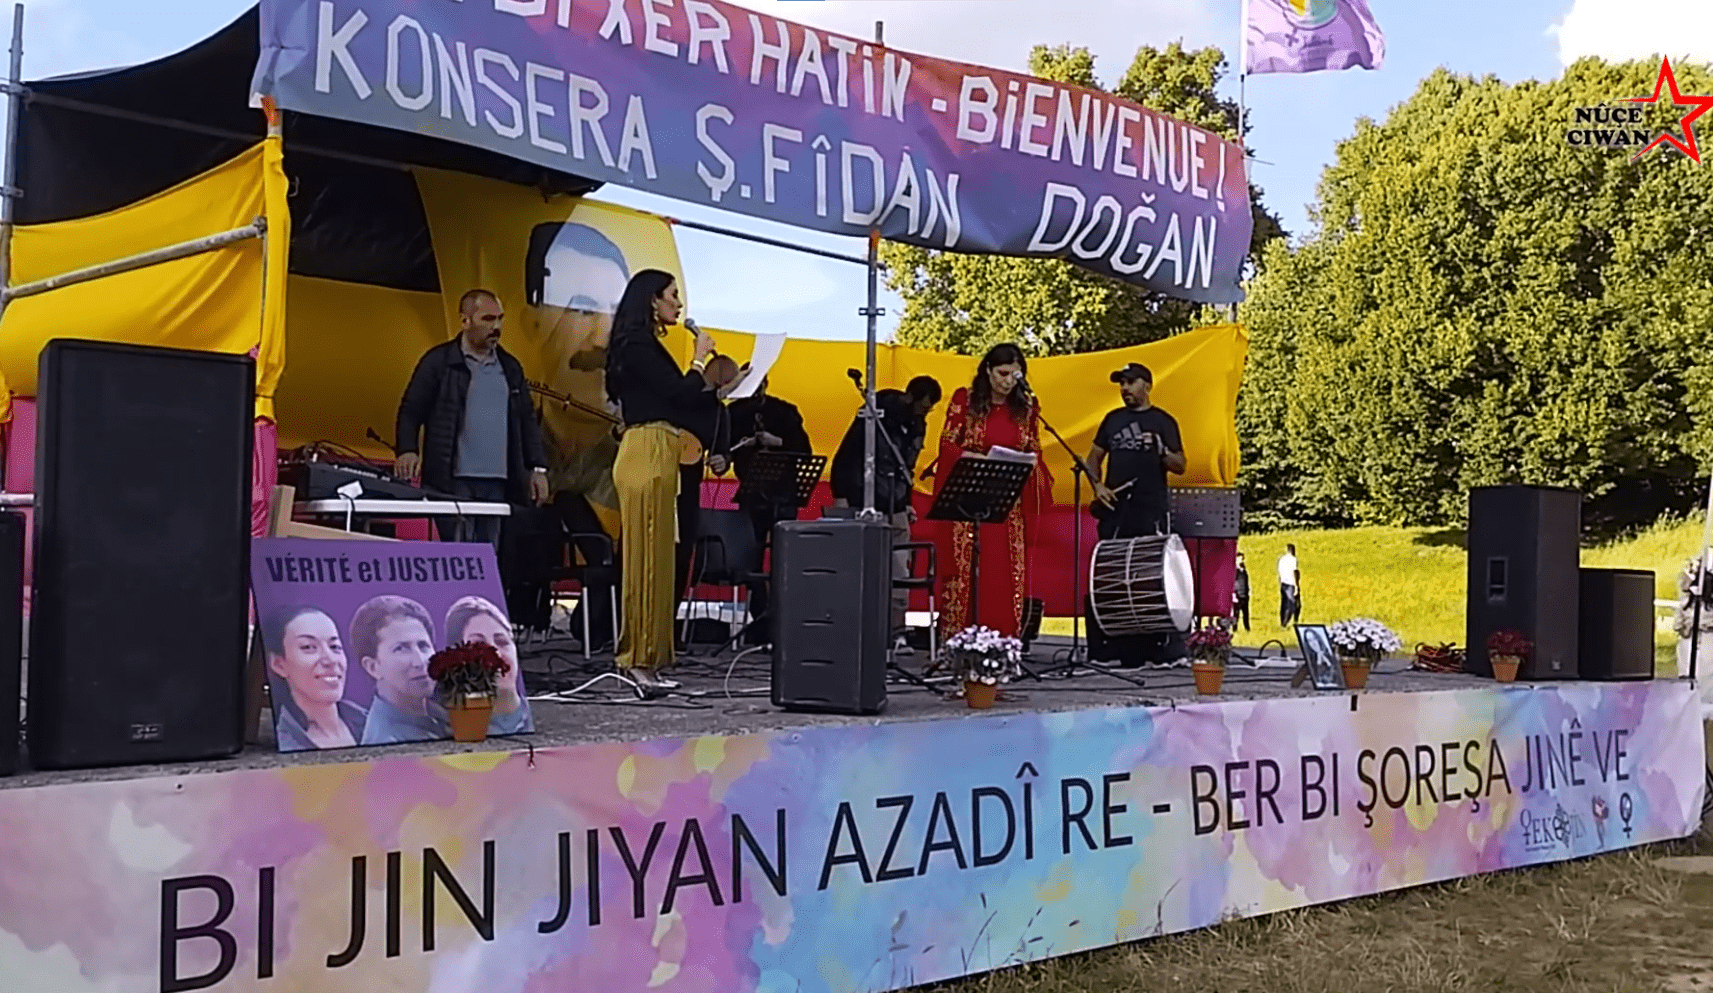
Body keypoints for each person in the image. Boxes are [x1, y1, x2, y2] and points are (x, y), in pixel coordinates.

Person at [605, 269, 724, 689]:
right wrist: (698, 361)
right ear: (652, 300)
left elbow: (677, 399)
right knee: (644, 560)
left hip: (660, 449)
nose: (678, 303)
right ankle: (636, 657)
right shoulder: (636, 345)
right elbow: (676, 393)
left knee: (660, 558)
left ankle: (652, 657)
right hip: (647, 449)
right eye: (672, 295)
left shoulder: (644, 346)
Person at [395, 289, 551, 545]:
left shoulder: (510, 367)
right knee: (459, 554)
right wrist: (407, 450)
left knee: (488, 555)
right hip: (452, 480)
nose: (496, 327)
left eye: (500, 319)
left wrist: (537, 469)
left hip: (499, 481)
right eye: (487, 319)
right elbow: (411, 409)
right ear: (465, 321)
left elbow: (527, 420)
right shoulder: (439, 362)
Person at [929, 344, 1051, 640]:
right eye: (1002, 373)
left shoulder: (1027, 407)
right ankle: (960, 643)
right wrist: (976, 458)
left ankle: (1002, 643)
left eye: (1014, 375)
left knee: (1002, 572)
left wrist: (1030, 463)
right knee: (965, 570)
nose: (1008, 381)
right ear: (988, 370)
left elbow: (1033, 447)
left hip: (1006, 507)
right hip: (966, 501)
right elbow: (947, 444)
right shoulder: (966, 400)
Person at [1084, 362, 1188, 667]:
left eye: (1131, 382)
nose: (1125, 388)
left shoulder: (1163, 421)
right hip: (1116, 509)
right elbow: (1093, 458)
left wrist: (1161, 451)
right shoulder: (1112, 420)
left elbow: (1180, 465)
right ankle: (1110, 647)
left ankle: (1154, 647)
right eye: (1122, 383)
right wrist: (1098, 486)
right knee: (1110, 573)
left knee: (1148, 576)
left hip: (1149, 508)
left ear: (1147, 386)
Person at [830, 375, 943, 651]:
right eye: (923, 407)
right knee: (859, 570)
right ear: (910, 397)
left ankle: (896, 632)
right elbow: (848, 455)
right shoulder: (874, 414)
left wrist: (906, 500)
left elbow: (907, 467)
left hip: (896, 503)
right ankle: (852, 629)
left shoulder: (917, 425)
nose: (925, 414)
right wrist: (842, 494)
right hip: (863, 500)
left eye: (929, 410)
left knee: (900, 569)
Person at [727, 376, 812, 644]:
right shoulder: (733, 413)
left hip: (783, 494)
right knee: (750, 561)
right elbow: (723, 449)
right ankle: (760, 619)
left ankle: (782, 619)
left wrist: (778, 442)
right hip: (752, 493)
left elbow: (805, 451)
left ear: (765, 384)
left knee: (784, 558)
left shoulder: (785, 412)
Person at [263, 606, 367, 751]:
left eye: (335, 646)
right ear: (278, 664)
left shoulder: (372, 724)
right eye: (308, 647)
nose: (330, 660)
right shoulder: (291, 742)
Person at [353, 596, 446, 745]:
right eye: (401, 649)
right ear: (373, 667)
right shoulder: (388, 744)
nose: (420, 662)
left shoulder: (439, 711)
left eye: (423, 646)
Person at [443, 596, 533, 735]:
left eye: (502, 642)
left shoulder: (530, 719)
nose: (496, 654)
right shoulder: (447, 726)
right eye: (479, 645)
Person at [1279, 543, 1302, 627]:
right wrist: (1296, 585)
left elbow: (1280, 573)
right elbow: (1294, 572)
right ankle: (1289, 622)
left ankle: (1283, 621)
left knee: (1284, 604)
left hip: (1283, 583)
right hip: (1291, 584)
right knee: (1293, 604)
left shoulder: (1282, 559)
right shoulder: (1293, 559)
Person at [1233, 551, 1252, 632]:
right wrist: (1234, 594)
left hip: (1245, 595)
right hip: (1237, 595)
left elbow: (1246, 582)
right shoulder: (1234, 571)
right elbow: (1232, 583)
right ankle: (1234, 629)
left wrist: (1248, 591)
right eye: (1239, 559)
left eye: (1242, 559)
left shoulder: (1243, 570)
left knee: (1246, 614)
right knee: (1236, 614)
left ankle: (1247, 628)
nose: (1241, 560)